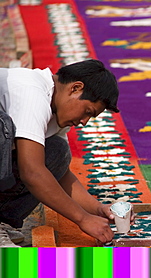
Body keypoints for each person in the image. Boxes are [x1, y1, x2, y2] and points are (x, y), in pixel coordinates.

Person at [0, 59, 119, 246]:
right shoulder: (33, 94)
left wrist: (97, 209)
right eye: (87, 111)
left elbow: (59, 172)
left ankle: (2, 220)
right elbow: (32, 172)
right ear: (75, 88)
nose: (84, 122)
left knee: (57, 151)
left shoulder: (55, 110)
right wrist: (82, 219)